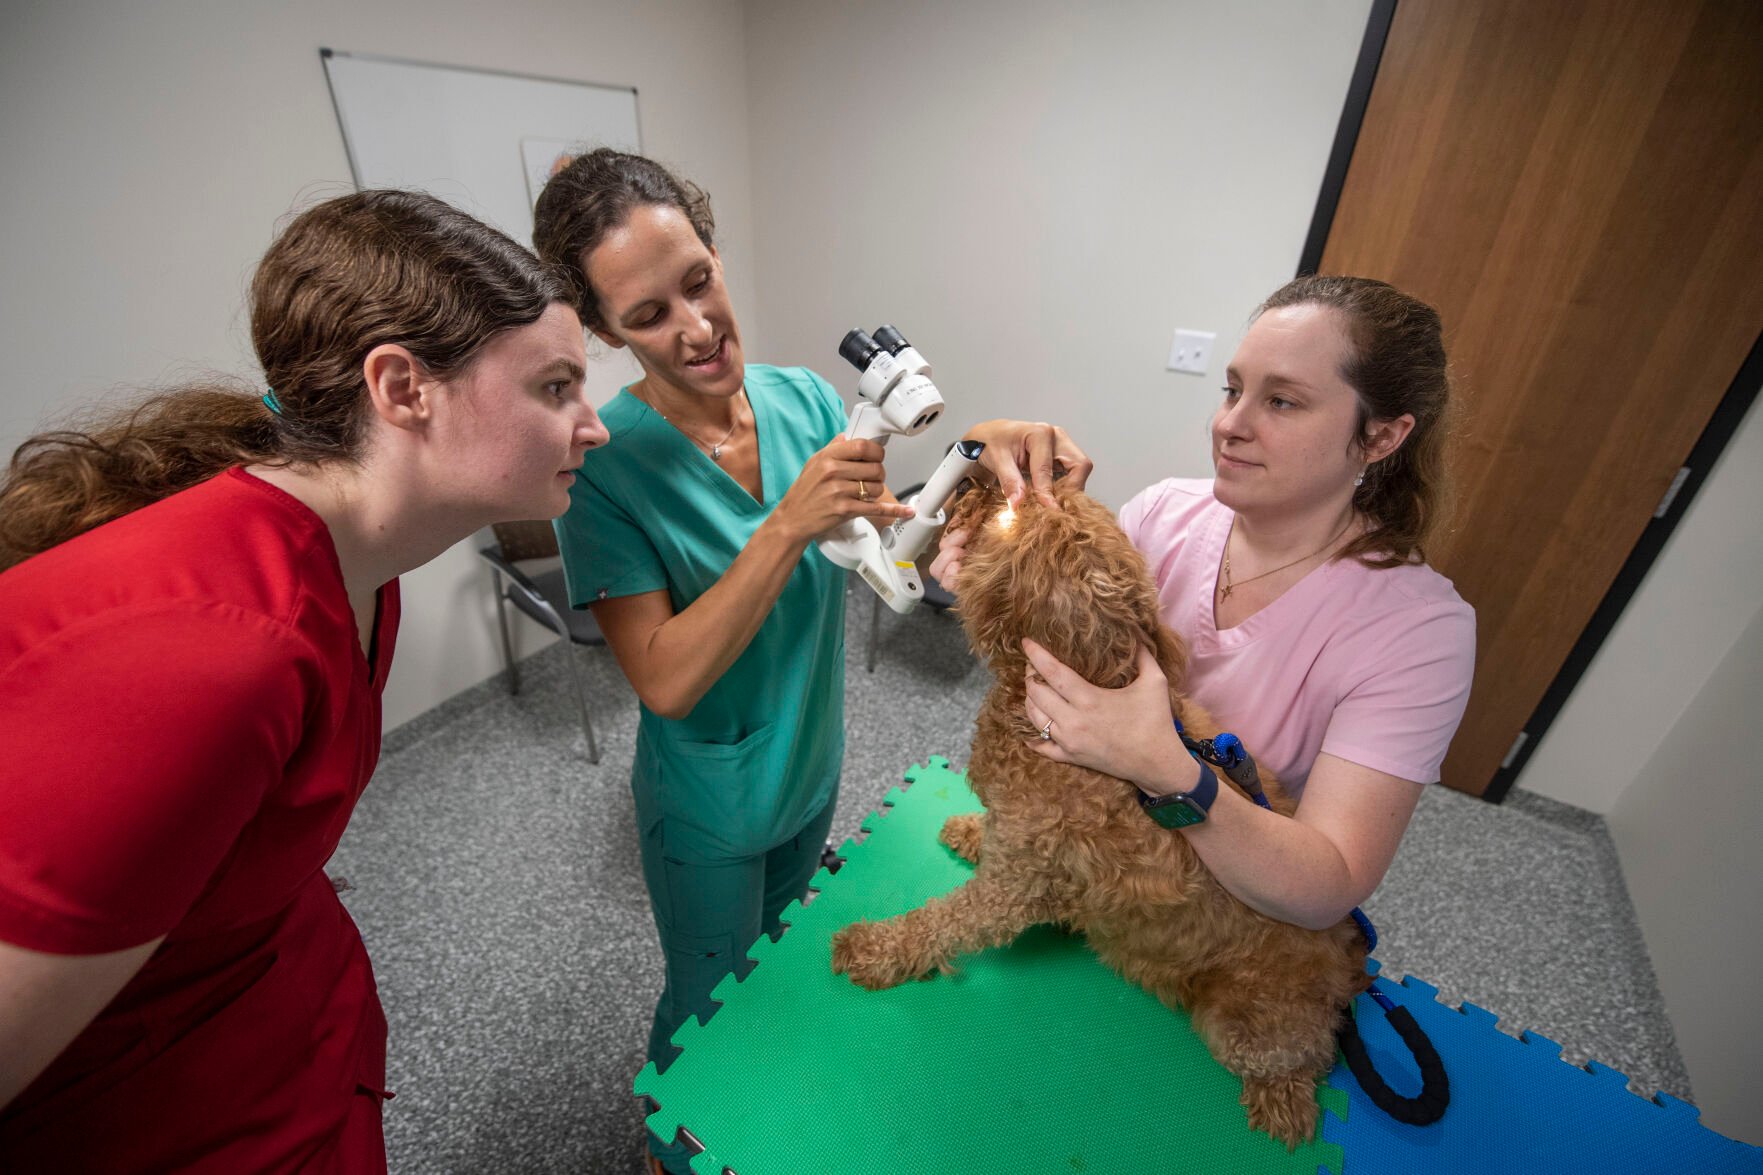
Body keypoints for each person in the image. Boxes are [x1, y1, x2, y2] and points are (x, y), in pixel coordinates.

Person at [0, 190, 610, 1171]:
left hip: (290, 1051)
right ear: (403, 386)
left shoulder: (361, 569)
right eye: (554, 388)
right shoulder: (205, 657)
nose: (593, 426)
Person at [531, 149, 916, 1175]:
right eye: (649, 314)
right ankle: (671, 1139)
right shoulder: (602, 467)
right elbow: (660, 676)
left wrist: (953, 482)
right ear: (605, 329)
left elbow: (875, 528)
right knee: (704, 997)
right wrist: (784, 527)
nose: (697, 329)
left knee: (778, 964)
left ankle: (757, 1095)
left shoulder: (800, 399)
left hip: (809, 765)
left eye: (698, 280)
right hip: (707, 801)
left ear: (715, 252)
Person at [933, 275, 1475, 932]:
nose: (1228, 425)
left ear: (1380, 437)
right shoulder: (1162, 513)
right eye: (1232, 389)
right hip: (1086, 852)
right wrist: (983, 469)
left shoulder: (1418, 632)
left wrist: (1163, 765)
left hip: (1211, 911)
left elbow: (1326, 884)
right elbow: (1052, 664)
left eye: (1281, 401)